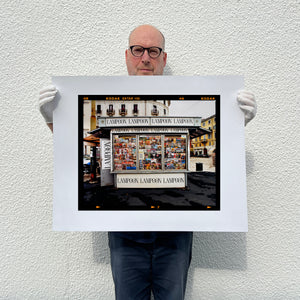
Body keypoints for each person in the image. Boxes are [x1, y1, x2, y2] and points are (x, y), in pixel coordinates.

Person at [39, 25, 257, 300]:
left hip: (175, 233)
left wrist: (235, 124)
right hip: (124, 233)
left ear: (163, 58)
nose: (145, 58)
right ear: (127, 55)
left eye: (153, 51)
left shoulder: (171, 104)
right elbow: (76, 148)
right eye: (138, 50)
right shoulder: (103, 96)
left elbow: (217, 152)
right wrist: (54, 119)